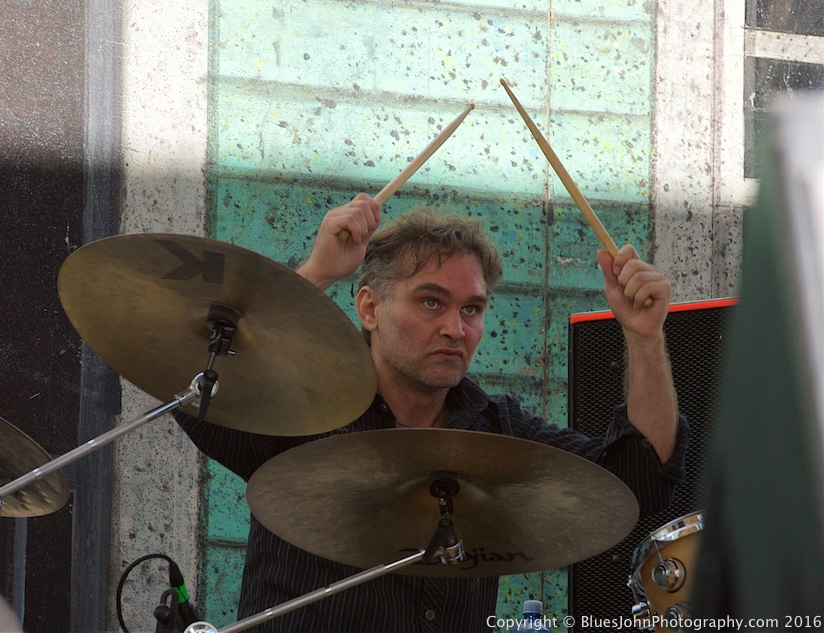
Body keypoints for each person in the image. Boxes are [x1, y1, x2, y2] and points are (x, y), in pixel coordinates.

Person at [175, 194, 688, 633]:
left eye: (471, 309)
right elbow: (194, 392)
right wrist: (317, 273)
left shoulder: (497, 428)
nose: (455, 329)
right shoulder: (305, 411)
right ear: (370, 309)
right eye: (430, 303)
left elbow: (639, 479)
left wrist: (645, 338)